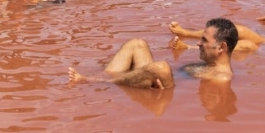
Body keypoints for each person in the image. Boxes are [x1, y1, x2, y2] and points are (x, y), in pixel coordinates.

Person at [68, 18, 238, 89]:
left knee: (161, 68)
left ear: (221, 48)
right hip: (156, 81)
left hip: (163, 87)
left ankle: (95, 82)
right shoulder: (209, 65)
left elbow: (183, 95)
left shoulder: (221, 79)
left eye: (204, 40)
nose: (199, 43)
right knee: (137, 44)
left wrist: (162, 85)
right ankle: (101, 79)